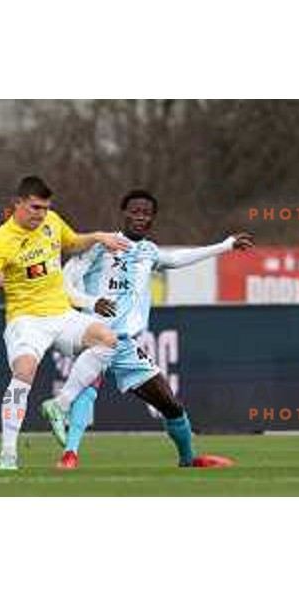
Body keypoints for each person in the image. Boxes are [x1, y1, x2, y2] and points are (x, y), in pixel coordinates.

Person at [53, 188, 254, 469]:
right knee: (87, 389)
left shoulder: (149, 251)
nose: (140, 217)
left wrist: (225, 246)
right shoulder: (100, 246)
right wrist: (90, 302)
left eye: (146, 213)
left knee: (171, 406)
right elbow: (64, 282)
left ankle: (187, 460)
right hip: (95, 334)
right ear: (123, 213)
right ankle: (69, 455)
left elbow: (180, 259)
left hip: (125, 345)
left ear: (152, 219)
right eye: (135, 211)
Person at [0, 176, 129, 470]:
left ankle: (60, 404)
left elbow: (72, 242)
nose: (40, 214)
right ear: (17, 204)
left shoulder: (52, 221)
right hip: (26, 320)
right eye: (34, 207)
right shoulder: (2, 240)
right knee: (25, 370)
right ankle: (8, 453)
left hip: (61, 313)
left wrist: (97, 237)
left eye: (44, 208)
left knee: (108, 339)